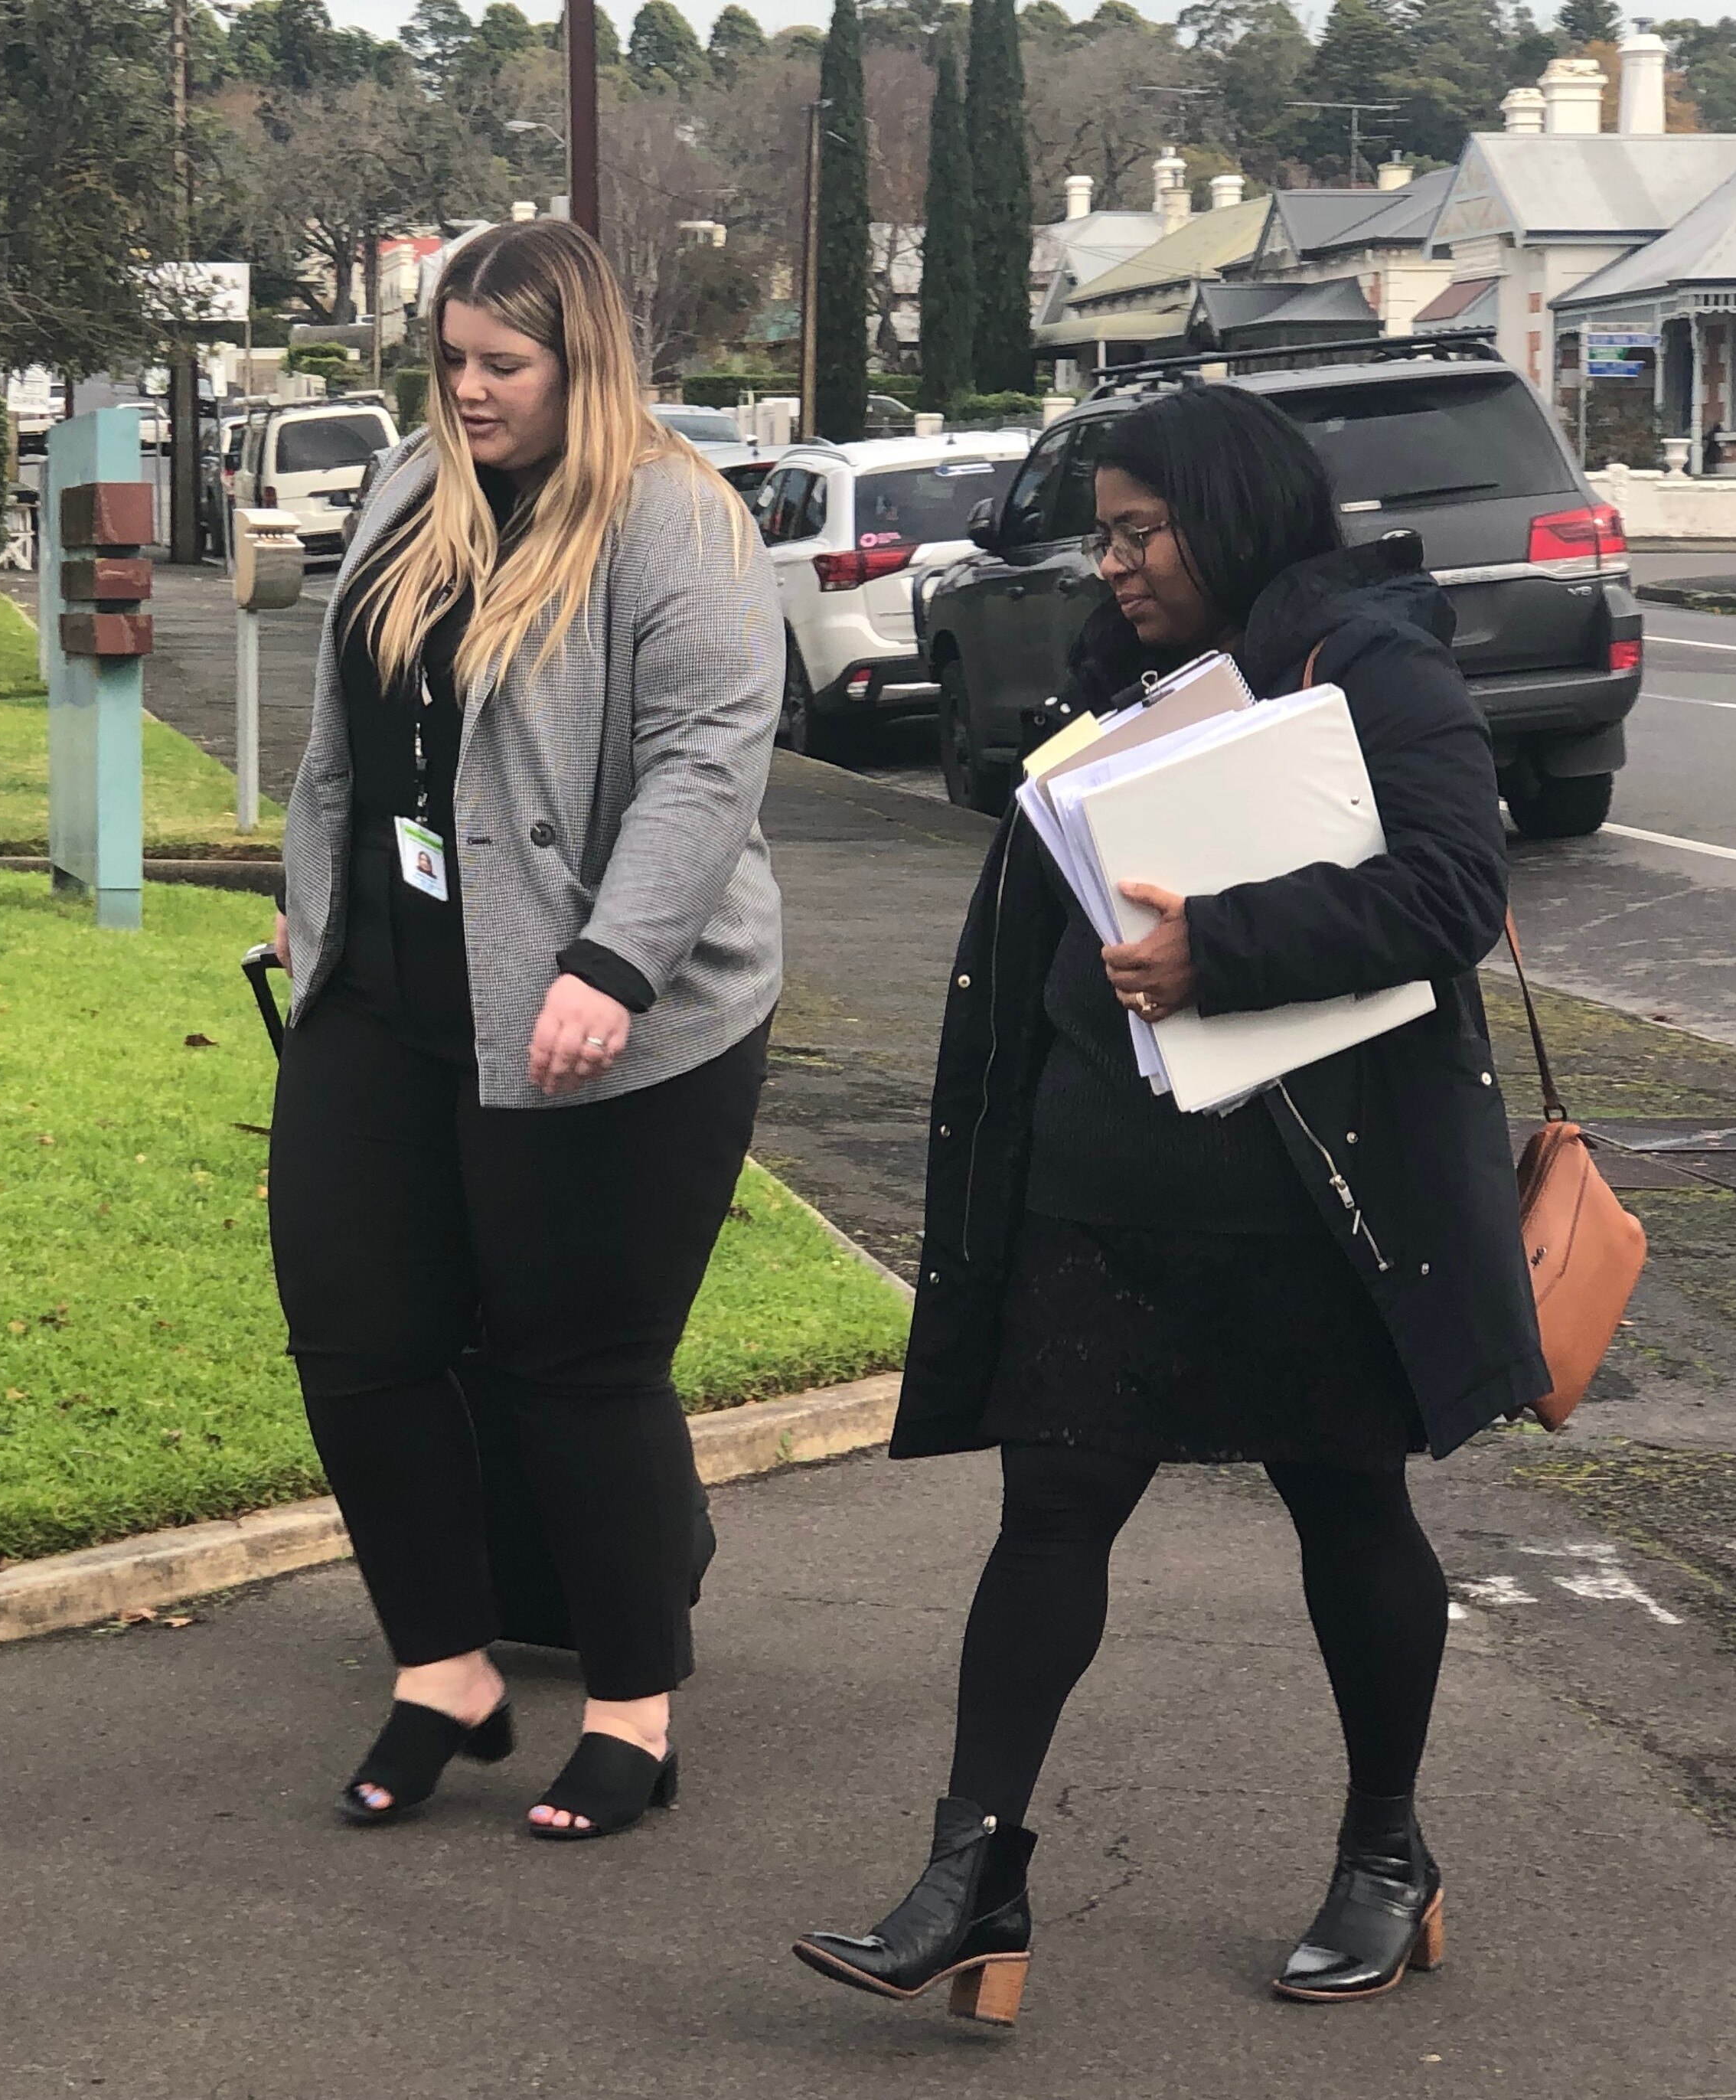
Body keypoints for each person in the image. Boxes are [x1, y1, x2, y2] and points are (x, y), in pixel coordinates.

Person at [792, 387, 1547, 2023]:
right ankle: (972, 1877)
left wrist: (1224, 946)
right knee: (1051, 1509)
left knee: (1348, 1508)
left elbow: (1450, 891)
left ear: (1233, 516)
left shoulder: (1372, 664)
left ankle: (1386, 1853)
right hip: (1101, 1181)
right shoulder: (1114, 673)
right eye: (1104, 535)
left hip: (1309, 1195)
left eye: (1141, 532)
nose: (1114, 563)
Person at [266, 219, 783, 1840]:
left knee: (578, 1364)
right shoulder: (413, 487)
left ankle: (634, 1706)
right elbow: (357, 737)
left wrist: (611, 965)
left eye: (504, 365)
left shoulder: (674, 517)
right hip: (388, 988)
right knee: (356, 1338)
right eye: (451, 361)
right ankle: (446, 1669)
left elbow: (708, 758)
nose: (470, 390)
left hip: (606, 1006)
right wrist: (314, 904)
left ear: (584, 361)